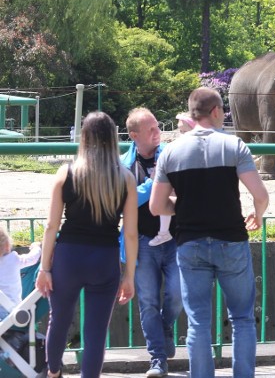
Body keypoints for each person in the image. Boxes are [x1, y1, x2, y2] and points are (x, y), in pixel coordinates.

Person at [150, 87, 269, 378]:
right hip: (231, 242)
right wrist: (258, 213)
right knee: (241, 319)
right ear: (215, 111)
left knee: (198, 322)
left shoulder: (171, 152)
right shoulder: (235, 146)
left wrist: (184, 206)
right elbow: (261, 195)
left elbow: (156, 206)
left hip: (190, 244)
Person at [35, 111, 138, 378]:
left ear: (84, 137)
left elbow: (51, 226)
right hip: (105, 260)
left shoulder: (66, 173)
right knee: (96, 331)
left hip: (69, 257)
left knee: (59, 320)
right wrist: (129, 275)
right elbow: (130, 235)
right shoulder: (125, 178)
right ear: (113, 138)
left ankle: (54, 372)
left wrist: (44, 268)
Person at [121, 108, 182, 378]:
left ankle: (165, 326)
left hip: (176, 239)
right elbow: (125, 201)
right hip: (143, 241)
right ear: (134, 136)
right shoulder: (123, 166)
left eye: (158, 127)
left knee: (178, 293)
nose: (158, 133)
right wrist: (151, 189)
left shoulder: (171, 155)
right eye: (151, 130)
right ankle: (158, 359)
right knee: (146, 301)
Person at [0, 226, 41, 319]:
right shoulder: (13, 259)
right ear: (7, 245)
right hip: (12, 313)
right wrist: (36, 247)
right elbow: (32, 258)